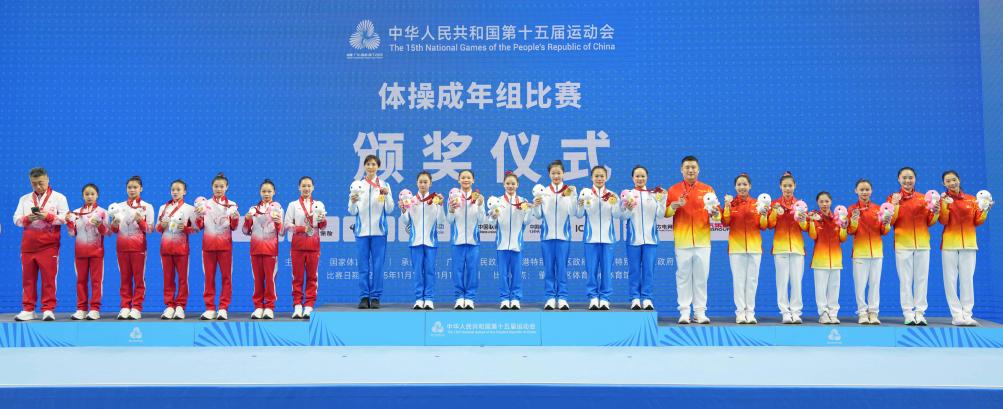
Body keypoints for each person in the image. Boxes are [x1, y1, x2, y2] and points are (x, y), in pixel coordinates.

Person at [665, 156, 719, 323]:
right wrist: (673, 206)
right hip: (682, 241)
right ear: (681, 170)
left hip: (703, 241)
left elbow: (717, 216)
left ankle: (700, 312)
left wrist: (715, 213)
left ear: (698, 169)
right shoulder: (673, 190)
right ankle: (684, 312)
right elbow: (665, 213)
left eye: (693, 167)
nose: (690, 170)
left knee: (701, 278)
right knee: (683, 277)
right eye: (687, 167)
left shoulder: (707, 189)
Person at [12, 167, 69, 321]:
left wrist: (48, 217)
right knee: (28, 279)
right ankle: (28, 309)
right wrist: (27, 219)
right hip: (28, 247)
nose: (38, 186)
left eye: (41, 183)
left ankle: (48, 309)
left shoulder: (59, 198)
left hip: (49, 246)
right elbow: (16, 219)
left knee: (49, 279)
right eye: (34, 183)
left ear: (48, 180)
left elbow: (65, 218)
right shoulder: (24, 199)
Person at [939, 170, 992, 326]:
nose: (951, 183)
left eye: (954, 179)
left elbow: (978, 221)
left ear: (959, 180)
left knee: (967, 280)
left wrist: (985, 209)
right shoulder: (943, 200)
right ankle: (956, 315)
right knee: (950, 281)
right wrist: (944, 205)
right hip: (949, 245)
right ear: (944, 184)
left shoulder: (972, 199)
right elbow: (943, 220)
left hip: (969, 244)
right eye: (948, 181)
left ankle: (967, 314)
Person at [888, 167, 938, 326]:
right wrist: (895, 205)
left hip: (923, 244)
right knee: (905, 280)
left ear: (915, 179)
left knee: (922, 279)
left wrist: (935, 212)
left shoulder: (924, 198)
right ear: (899, 179)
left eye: (910, 177)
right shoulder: (893, 198)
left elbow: (930, 222)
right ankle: (908, 312)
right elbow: (890, 221)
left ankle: (920, 312)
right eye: (904, 177)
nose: (907, 180)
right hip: (903, 244)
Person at [349, 154, 394, 309]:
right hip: (361, 232)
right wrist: (353, 202)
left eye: (373, 164)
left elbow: (390, 209)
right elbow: (352, 211)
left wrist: (386, 196)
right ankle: (364, 297)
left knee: (378, 266)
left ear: (378, 167)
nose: (370, 167)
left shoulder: (385, 185)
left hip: (379, 232)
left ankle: (375, 297)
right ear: (364, 166)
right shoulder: (357, 185)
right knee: (363, 266)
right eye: (368, 164)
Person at [721, 173, 767, 324]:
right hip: (736, 248)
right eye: (739, 184)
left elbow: (763, 226)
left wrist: (764, 215)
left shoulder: (757, 203)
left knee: (752, 281)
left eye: (745, 184)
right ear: (735, 187)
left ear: (750, 186)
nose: (742, 187)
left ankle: (750, 313)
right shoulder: (731, 203)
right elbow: (725, 222)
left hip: (754, 248)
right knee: (739, 281)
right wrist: (726, 207)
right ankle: (740, 313)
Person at [533, 160, 578, 310]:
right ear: (549, 174)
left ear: (563, 173)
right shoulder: (544, 192)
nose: (556, 176)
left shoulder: (569, 191)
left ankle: (563, 298)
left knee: (562, 269)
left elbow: (573, 212)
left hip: (564, 237)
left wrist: (573, 196)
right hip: (547, 237)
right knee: (549, 269)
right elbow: (538, 215)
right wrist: (536, 205)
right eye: (553, 173)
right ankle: (550, 298)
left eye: (559, 173)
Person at [576, 165, 621, 310]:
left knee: (607, 270)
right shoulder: (586, 193)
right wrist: (580, 205)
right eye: (596, 176)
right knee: (591, 270)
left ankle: (605, 298)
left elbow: (617, 215)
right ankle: (593, 297)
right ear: (591, 177)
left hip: (608, 239)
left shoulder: (612, 195)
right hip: (591, 239)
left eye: (602, 176)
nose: (599, 178)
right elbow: (579, 214)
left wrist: (615, 204)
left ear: (606, 177)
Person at [194, 173, 239, 320]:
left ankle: (223, 308)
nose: (219, 189)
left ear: (227, 187)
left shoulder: (232, 205)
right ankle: (210, 308)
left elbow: (234, 227)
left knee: (226, 278)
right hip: (208, 247)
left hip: (225, 247)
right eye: (216, 186)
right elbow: (199, 226)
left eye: (221, 186)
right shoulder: (204, 204)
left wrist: (235, 218)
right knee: (209, 278)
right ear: (212, 187)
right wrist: (198, 216)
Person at [622, 165, 667, 312]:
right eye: (637, 176)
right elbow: (623, 216)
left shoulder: (654, 194)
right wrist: (628, 208)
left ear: (647, 177)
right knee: (634, 270)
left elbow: (660, 214)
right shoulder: (628, 194)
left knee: (648, 270)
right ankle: (635, 298)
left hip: (651, 239)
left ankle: (647, 298)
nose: (640, 178)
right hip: (633, 239)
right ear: (632, 178)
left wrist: (663, 200)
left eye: (642, 176)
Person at [110, 175, 155, 320]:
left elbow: (150, 229)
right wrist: (114, 224)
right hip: (122, 248)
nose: (132, 190)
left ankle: (136, 307)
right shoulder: (119, 207)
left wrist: (140, 221)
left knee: (139, 279)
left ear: (141, 188)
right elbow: (114, 230)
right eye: (129, 187)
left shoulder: (147, 207)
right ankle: (125, 306)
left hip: (138, 248)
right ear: (126, 189)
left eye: (135, 187)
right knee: (124, 278)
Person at [848, 179, 891, 325]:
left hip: (877, 253)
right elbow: (850, 231)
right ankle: (862, 313)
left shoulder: (879, 209)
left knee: (875, 284)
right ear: (856, 191)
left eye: (867, 189)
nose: (864, 192)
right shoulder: (851, 209)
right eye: (861, 189)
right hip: (860, 253)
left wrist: (886, 223)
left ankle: (873, 312)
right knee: (860, 285)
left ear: (871, 191)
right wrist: (854, 221)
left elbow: (884, 231)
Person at [401, 171, 445, 310]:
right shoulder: (411, 200)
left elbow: (441, 221)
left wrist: (441, 205)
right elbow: (405, 221)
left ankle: (429, 299)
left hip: (431, 242)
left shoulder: (435, 200)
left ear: (430, 183)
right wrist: (403, 210)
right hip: (415, 242)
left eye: (425, 182)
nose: (423, 184)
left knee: (430, 271)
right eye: (420, 182)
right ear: (416, 183)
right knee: (417, 272)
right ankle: (419, 299)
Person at [768, 172, 808, 324]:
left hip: (797, 248)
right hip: (780, 248)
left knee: (797, 282)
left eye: (790, 186)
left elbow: (805, 227)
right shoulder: (774, 204)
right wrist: (774, 212)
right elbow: (770, 225)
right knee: (782, 282)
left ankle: (796, 312)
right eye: (785, 186)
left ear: (795, 186)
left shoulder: (801, 205)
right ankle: (785, 312)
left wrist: (803, 220)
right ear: (780, 187)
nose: (787, 189)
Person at [285, 176, 327, 319]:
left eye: (309, 186)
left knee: (312, 277)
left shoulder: (319, 204)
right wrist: (302, 229)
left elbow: (322, 226)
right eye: (303, 186)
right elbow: (287, 225)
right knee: (297, 278)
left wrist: (322, 221)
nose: (306, 188)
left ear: (313, 188)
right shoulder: (293, 205)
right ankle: (297, 306)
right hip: (297, 246)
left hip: (313, 246)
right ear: (299, 188)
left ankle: (309, 306)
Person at [66, 183, 109, 320]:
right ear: (82, 196)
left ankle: (95, 309)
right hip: (80, 253)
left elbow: (108, 233)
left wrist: (100, 225)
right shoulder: (76, 212)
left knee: (96, 281)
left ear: (97, 195)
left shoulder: (103, 212)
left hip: (97, 253)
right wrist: (69, 223)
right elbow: (72, 233)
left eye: (92, 194)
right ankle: (81, 309)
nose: (89, 196)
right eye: (87, 194)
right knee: (81, 281)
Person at [492, 172, 535, 310]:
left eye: (513, 183)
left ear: (517, 185)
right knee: (503, 274)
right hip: (502, 244)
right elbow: (492, 223)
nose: (510, 186)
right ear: (503, 185)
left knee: (516, 274)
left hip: (517, 244)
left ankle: (515, 298)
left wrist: (529, 210)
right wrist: (493, 216)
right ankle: (504, 299)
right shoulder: (497, 201)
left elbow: (527, 221)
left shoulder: (523, 201)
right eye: (508, 183)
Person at [156, 179, 197, 320]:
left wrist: (185, 228)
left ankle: (180, 306)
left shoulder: (189, 209)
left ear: (184, 192)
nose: (175, 192)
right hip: (166, 248)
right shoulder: (163, 208)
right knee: (168, 279)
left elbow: (196, 229)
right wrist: (162, 225)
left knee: (182, 279)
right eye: (173, 189)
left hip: (182, 249)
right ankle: (169, 306)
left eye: (178, 189)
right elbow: (157, 228)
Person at [243, 179, 284, 319]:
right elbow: (245, 231)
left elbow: (282, 232)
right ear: (260, 192)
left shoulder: (278, 209)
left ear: (274, 192)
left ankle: (270, 307)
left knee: (270, 280)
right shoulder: (253, 209)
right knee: (258, 280)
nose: (266, 194)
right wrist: (247, 219)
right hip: (255, 250)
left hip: (270, 250)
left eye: (269, 191)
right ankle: (258, 307)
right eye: (264, 191)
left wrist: (278, 223)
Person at [446, 169, 485, 309]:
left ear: (473, 180)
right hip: (458, 240)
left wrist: (479, 205)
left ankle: (469, 298)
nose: (466, 180)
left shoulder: (479, 197)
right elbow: (449, 220)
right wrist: (451, 210)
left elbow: (481, 220)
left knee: (472, 270)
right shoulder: (452, 196)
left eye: (468, 177)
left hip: (473, 241)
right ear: (459, 180)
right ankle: (459, 297)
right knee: (458, 270)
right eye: (463, 177)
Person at [807, 192, 847, 324]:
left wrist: (843, 226)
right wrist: (812, 221)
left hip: (836, 260)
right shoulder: (815, 217)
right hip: (820, 260)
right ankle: (823, 313)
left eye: (827, 201)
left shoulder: (838, 218)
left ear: (831, 202)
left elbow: (843, 238)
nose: (824, 204)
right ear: (818, 203)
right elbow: (813, 236)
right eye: (821, 202)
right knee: (821, 289)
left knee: (834, 288)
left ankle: (833, 313)